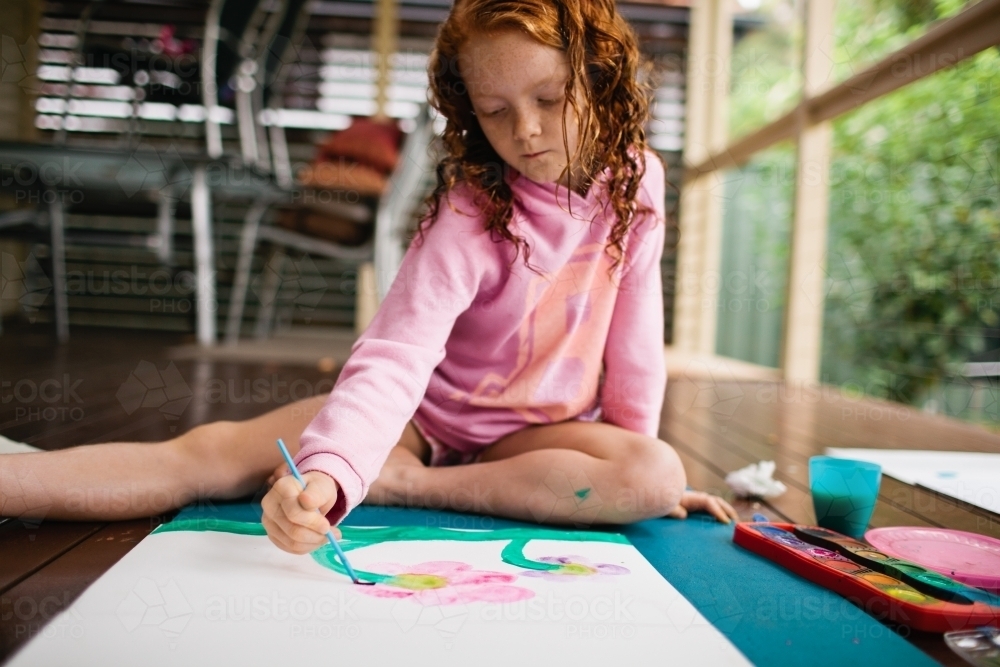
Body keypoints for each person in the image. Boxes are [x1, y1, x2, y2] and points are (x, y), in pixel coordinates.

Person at [0, 0, 738, 550]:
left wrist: (630, 459)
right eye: (496, 111)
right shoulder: (469, 212)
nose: (528, 131)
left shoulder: (639, 183)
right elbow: (394, 357)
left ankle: (410, 486)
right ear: (468, 112)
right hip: (420, 416)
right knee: (201, 458)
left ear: (601, 76)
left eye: (550, 99)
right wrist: (328, 474)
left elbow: (637, 336)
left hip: (537, 437)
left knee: (654, 474)